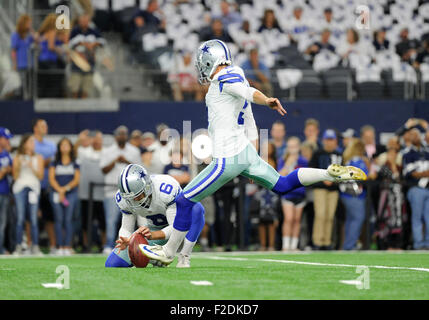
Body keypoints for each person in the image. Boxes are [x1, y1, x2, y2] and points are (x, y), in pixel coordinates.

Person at [141, 40, 366, 265]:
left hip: (228, 157)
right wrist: (253, 157)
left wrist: (266, 100)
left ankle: (168, 253)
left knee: (183, 201)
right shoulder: (237, 73)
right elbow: (249, 121)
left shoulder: (223, 79)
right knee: (283, 185)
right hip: (245, 152)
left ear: (211, 61)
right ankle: (329, 173)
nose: (201, 67)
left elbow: (248, 93)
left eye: (202, 62)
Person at [105, 164, 205, 268]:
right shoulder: (123, 199)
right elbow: (126, 227)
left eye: (138, 196)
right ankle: (154, 259)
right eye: (130, 199)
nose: (134, 201)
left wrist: (153, 235)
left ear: (147, 186)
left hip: (180, 230)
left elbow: (176, 226)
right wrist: (127, 240)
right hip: (154, 229)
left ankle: (184, 256)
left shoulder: (165, 187)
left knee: (196, 209)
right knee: (113, 263)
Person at [100, 126, 141, 254]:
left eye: (124, 134)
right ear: (115, 136)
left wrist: (126, 161)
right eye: (119, 134)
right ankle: (108, 244)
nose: (122, 136)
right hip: (112, 190)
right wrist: (115, 161)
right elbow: (103, 169)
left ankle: (131, 244)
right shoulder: (108, 151)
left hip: (130, 192)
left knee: (132, 219)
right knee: (111, 220)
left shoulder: (134, 151)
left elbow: (138, 169)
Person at [309, 129, 343, 250]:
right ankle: (317, 241)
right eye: (327, 140)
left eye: (332, 140)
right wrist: (322, 179)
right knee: (320, 214)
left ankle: (327, 241)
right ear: (323, 140)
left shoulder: (339, 154)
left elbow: (342, 172)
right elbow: (311, 170)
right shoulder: (317, 153)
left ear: (335, 141)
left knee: (330, 216)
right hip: (320, 188)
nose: (329, 142)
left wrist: (335, 180)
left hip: (333, 189)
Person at [12, 134, 44, 255]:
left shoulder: (39, 157)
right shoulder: (17, 157)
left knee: (33, 219)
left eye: (33, 142)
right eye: (30, 141)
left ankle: (35, 246)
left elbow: (40, 176)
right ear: (24, 143)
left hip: (34, 189)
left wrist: (31, 166)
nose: (32, 144)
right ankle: (19, 246)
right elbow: (15, 177)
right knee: (20, 218)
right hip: (20, 189)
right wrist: (20, 165)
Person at [48, 138, 80, 255]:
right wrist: (60, 190)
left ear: (71, 147)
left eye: (67, 145)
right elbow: (51, 179)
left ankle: (67, 246)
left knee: (68, 219)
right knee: (59, 219)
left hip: (70, 193)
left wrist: (65, 189)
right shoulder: (54, 162)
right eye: (62, 145)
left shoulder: (75, 162)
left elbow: (76, 180)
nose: (65, 147)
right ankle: (59, 246)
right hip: (56, 193)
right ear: (59, 147)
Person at [278, 137, 308, 251]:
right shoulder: (283, 159)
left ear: (299, 147)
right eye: (290, 147)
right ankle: (285, 245)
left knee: (297, 219)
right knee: (289, 218)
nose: (292, 149)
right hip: (288, 194)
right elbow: (279, 175)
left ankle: (294, 245)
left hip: (300, 193)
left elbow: (306, 175)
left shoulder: (303, 161)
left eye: (294, 146)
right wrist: (288, 164)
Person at [77, 130, 105, 252]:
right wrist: (80, 139)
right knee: (85, 221)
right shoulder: (84, 152)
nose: (97, 141)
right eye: (95, 139)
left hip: (102, 194)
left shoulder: (107, 153)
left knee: (103, 222)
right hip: (85, 194)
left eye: (99, 139)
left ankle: (104, 246)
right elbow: (75, 150)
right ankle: (85, 245)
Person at [32, 118, 57, 254]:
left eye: (46, 125)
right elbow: (36, 161)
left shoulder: (52, 145)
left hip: (48, 187)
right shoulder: (31, 143)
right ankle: (32, 245)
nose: (45, 127)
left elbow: (53, 162)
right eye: (42, 125)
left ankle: (53, 246)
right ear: (35, 128)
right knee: (31, 217)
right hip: (33, 186)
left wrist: (42, 161)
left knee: (50, 218)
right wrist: (43, 162)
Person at [340, 139, 369, 250]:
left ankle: (348, 244)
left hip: (346, 194)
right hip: (354, 194)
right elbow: (364, 176)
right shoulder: (358, 160)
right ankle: (350, 245)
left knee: (351, 219)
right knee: (358, 218)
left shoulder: (349, 160)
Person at [402, 128, 429, 249]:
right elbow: (411, 173)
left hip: (428, 187)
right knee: (417, 217)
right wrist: (425, 173)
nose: (414, 137)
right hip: (416, 188)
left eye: (415, 135)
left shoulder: (426, 150)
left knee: (428, 217)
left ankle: (427, 243)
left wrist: (422, 173)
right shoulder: (408, 153)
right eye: (411, 135)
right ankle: (418, 244)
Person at [68, 13, 105, 98]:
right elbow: (70, 44)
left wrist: (94, 44)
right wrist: (81, 43)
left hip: (89, 63)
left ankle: (83, 106)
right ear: (79, 21)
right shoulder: (75, 31)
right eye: (82, 20)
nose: (84, 22)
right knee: (74, 87)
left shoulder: (93, 31)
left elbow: (102, 42)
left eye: (86, 20)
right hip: (77, 64)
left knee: (86, 88)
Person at [255, 142, 279, 251]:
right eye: (265, 147)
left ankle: (271, 245)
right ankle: (263, 245)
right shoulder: (258, 160)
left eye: (269, 147)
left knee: (272, 219)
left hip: (271, 192)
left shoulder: (275, 161)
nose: (266, 149)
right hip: (261, 192)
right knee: (261, 220)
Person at [11, 14, 35, 99]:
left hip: (30, 64)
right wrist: (15, 64)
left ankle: (28, 100)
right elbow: (13, 50)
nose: (30, 25)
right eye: (29, 23)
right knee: (21, 86)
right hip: (21, 64)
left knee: (30, 86)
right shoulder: (15, 35)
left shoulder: (29, 35)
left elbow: (37, 39)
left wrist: (31, 30)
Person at [0, 128, 13, 254]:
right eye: (6, 138)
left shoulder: (6, 153)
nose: (8, 141)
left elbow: (13, 171)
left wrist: (7, 170)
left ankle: (1, 249)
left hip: (5, 192)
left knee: (3, 224)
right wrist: (3, 171)